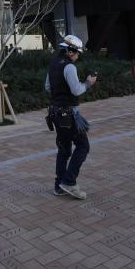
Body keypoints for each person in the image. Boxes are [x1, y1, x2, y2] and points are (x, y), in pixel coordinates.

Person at [45, 34, 97, 199]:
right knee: (83, 146)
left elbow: (48, 87)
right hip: (68, 114)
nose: (77, 56)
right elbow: (76, 90)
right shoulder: (69, 67)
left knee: (64, 150)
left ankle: (58, 186)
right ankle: (69, 182)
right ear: (71, 51)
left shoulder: (53, 64)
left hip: (54, 112)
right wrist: (88, 83)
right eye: (77, 53)